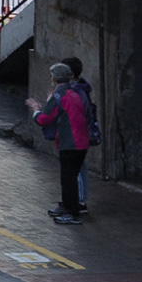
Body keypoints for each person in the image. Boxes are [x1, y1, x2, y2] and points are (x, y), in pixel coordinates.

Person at [34, 56, 98, 224]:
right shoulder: (76, 92)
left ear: (55, 78)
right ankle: (69, 206)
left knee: (69, 178)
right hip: (80, 140)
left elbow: (44, 118)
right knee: (70, 176)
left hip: (70, 141)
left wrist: (36, 110)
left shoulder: (59, 96)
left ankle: (73, 210)